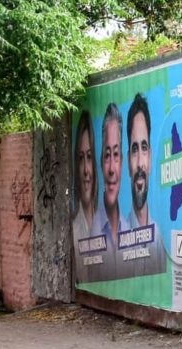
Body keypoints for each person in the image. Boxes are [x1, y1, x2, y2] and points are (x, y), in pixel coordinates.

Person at [124, 93, 165, 275]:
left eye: (144, 147)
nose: (140, 162)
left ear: (150, 156)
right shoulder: (118, 240)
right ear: (127, 162)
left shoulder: (159, 240)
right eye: (134, 149)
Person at [90, 102, 128, 280]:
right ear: (100, 162)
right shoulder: (91, 231)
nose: (112, 168)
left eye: (116, 154)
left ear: (123, 160)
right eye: (107, 155)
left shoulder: (130, 230)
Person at [72, 110, 97, 283]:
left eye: (89, 157)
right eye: (81, 159)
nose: (86, 170)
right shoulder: (74, 227)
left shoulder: (108, 225)